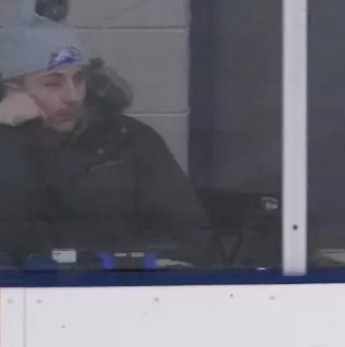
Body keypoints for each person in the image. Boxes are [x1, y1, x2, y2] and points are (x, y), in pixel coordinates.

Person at [0, 0, 211, 266]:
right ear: (12, 91)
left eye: (79, 79)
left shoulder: (129, 141)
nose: (73, 97)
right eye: (53, 83)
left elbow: (189, 234)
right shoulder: (8, 147)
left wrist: (146, 263)